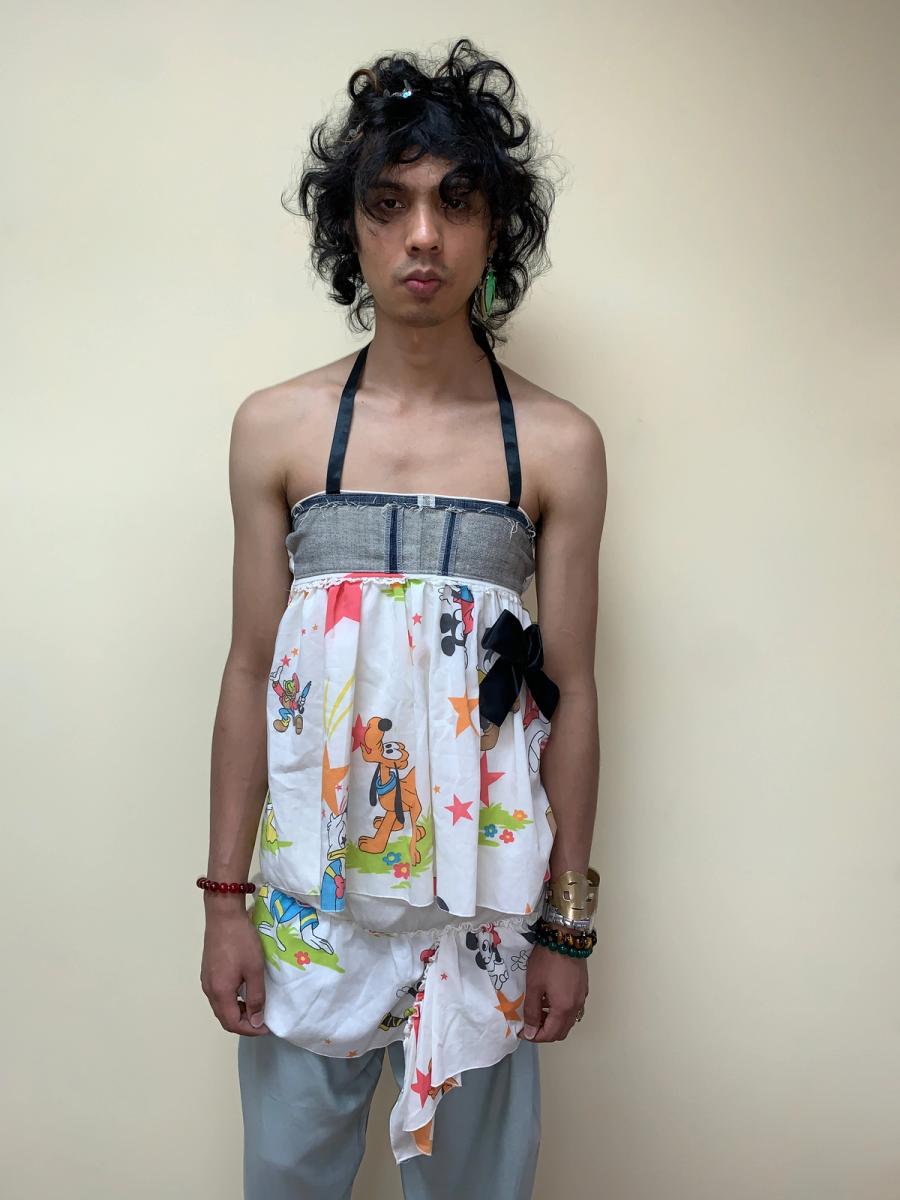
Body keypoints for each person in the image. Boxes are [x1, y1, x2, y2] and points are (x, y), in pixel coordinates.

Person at [200, 36, 607, 1200]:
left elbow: (573, 692)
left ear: (495, 228)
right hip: (307, 906)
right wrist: (225, 904)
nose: (423, 236)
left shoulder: (558, 446)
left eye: (455, 202)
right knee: (286, 1182)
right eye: (389, 204)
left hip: (488, 910)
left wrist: (567, 928)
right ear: (353, 229)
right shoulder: (277, 429)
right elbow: (248, 670)